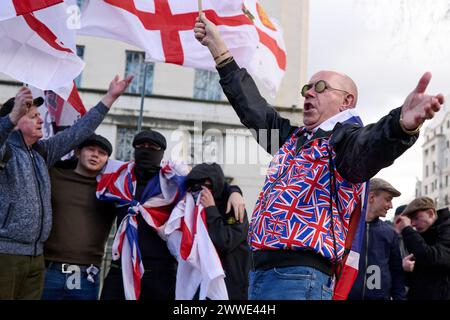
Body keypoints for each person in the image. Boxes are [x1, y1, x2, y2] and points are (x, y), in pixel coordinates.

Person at [194, 15, 445, 300]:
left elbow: (371, 145)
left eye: (321, 87)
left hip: (300, 278)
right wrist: (220, 52)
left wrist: (400, 125)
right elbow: (252, 108)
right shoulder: (291, 139)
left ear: (347, 101)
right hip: (260, 274)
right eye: (307, 88)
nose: (309, 93)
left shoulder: (343, 142)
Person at [0, 76, 132, 300]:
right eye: (32, 116)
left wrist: (109, 98)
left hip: (36, 256)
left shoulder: (42, 152)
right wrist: (12, 115)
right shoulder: (6, 152)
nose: (40, 120)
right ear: (15, 123)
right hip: (6, 253)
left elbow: (78, 132)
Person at [99, 130, 245, 300]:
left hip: (161, 272)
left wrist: (234, 191)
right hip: (122, 266)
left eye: (152, 147)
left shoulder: (172, 180)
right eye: (140, 146)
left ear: (161, 152)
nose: (146, 150)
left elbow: (209, 180)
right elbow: (87, 167)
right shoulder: (118, 178)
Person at [42, 134, 115, 300]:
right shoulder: (53, 175)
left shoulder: (111, 190)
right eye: (90, 149)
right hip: (48, 268)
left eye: (102, 153)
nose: (95, 155)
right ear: (77, 152)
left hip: (86, 274)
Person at [185, 163, 250, 300]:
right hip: (202, 284)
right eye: (197, 188)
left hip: (231, 287)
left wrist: (211, 209)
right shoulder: (193, 208)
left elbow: (224, 241)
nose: (203, 193)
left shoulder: (234, 206)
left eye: (207, 187)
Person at [348, 178, 405, 300]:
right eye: (388, 199)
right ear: (371, 197)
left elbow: (397, 274)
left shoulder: (390, 233)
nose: (391, 206)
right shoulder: (346, 227)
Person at [394, 196, 450, 300]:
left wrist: (407, 229)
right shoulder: (423, 233)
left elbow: (433, 258)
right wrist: (406, 269)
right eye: (410, 220)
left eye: (416, 218)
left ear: (430, 213)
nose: (413, 224)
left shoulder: (446, 230)